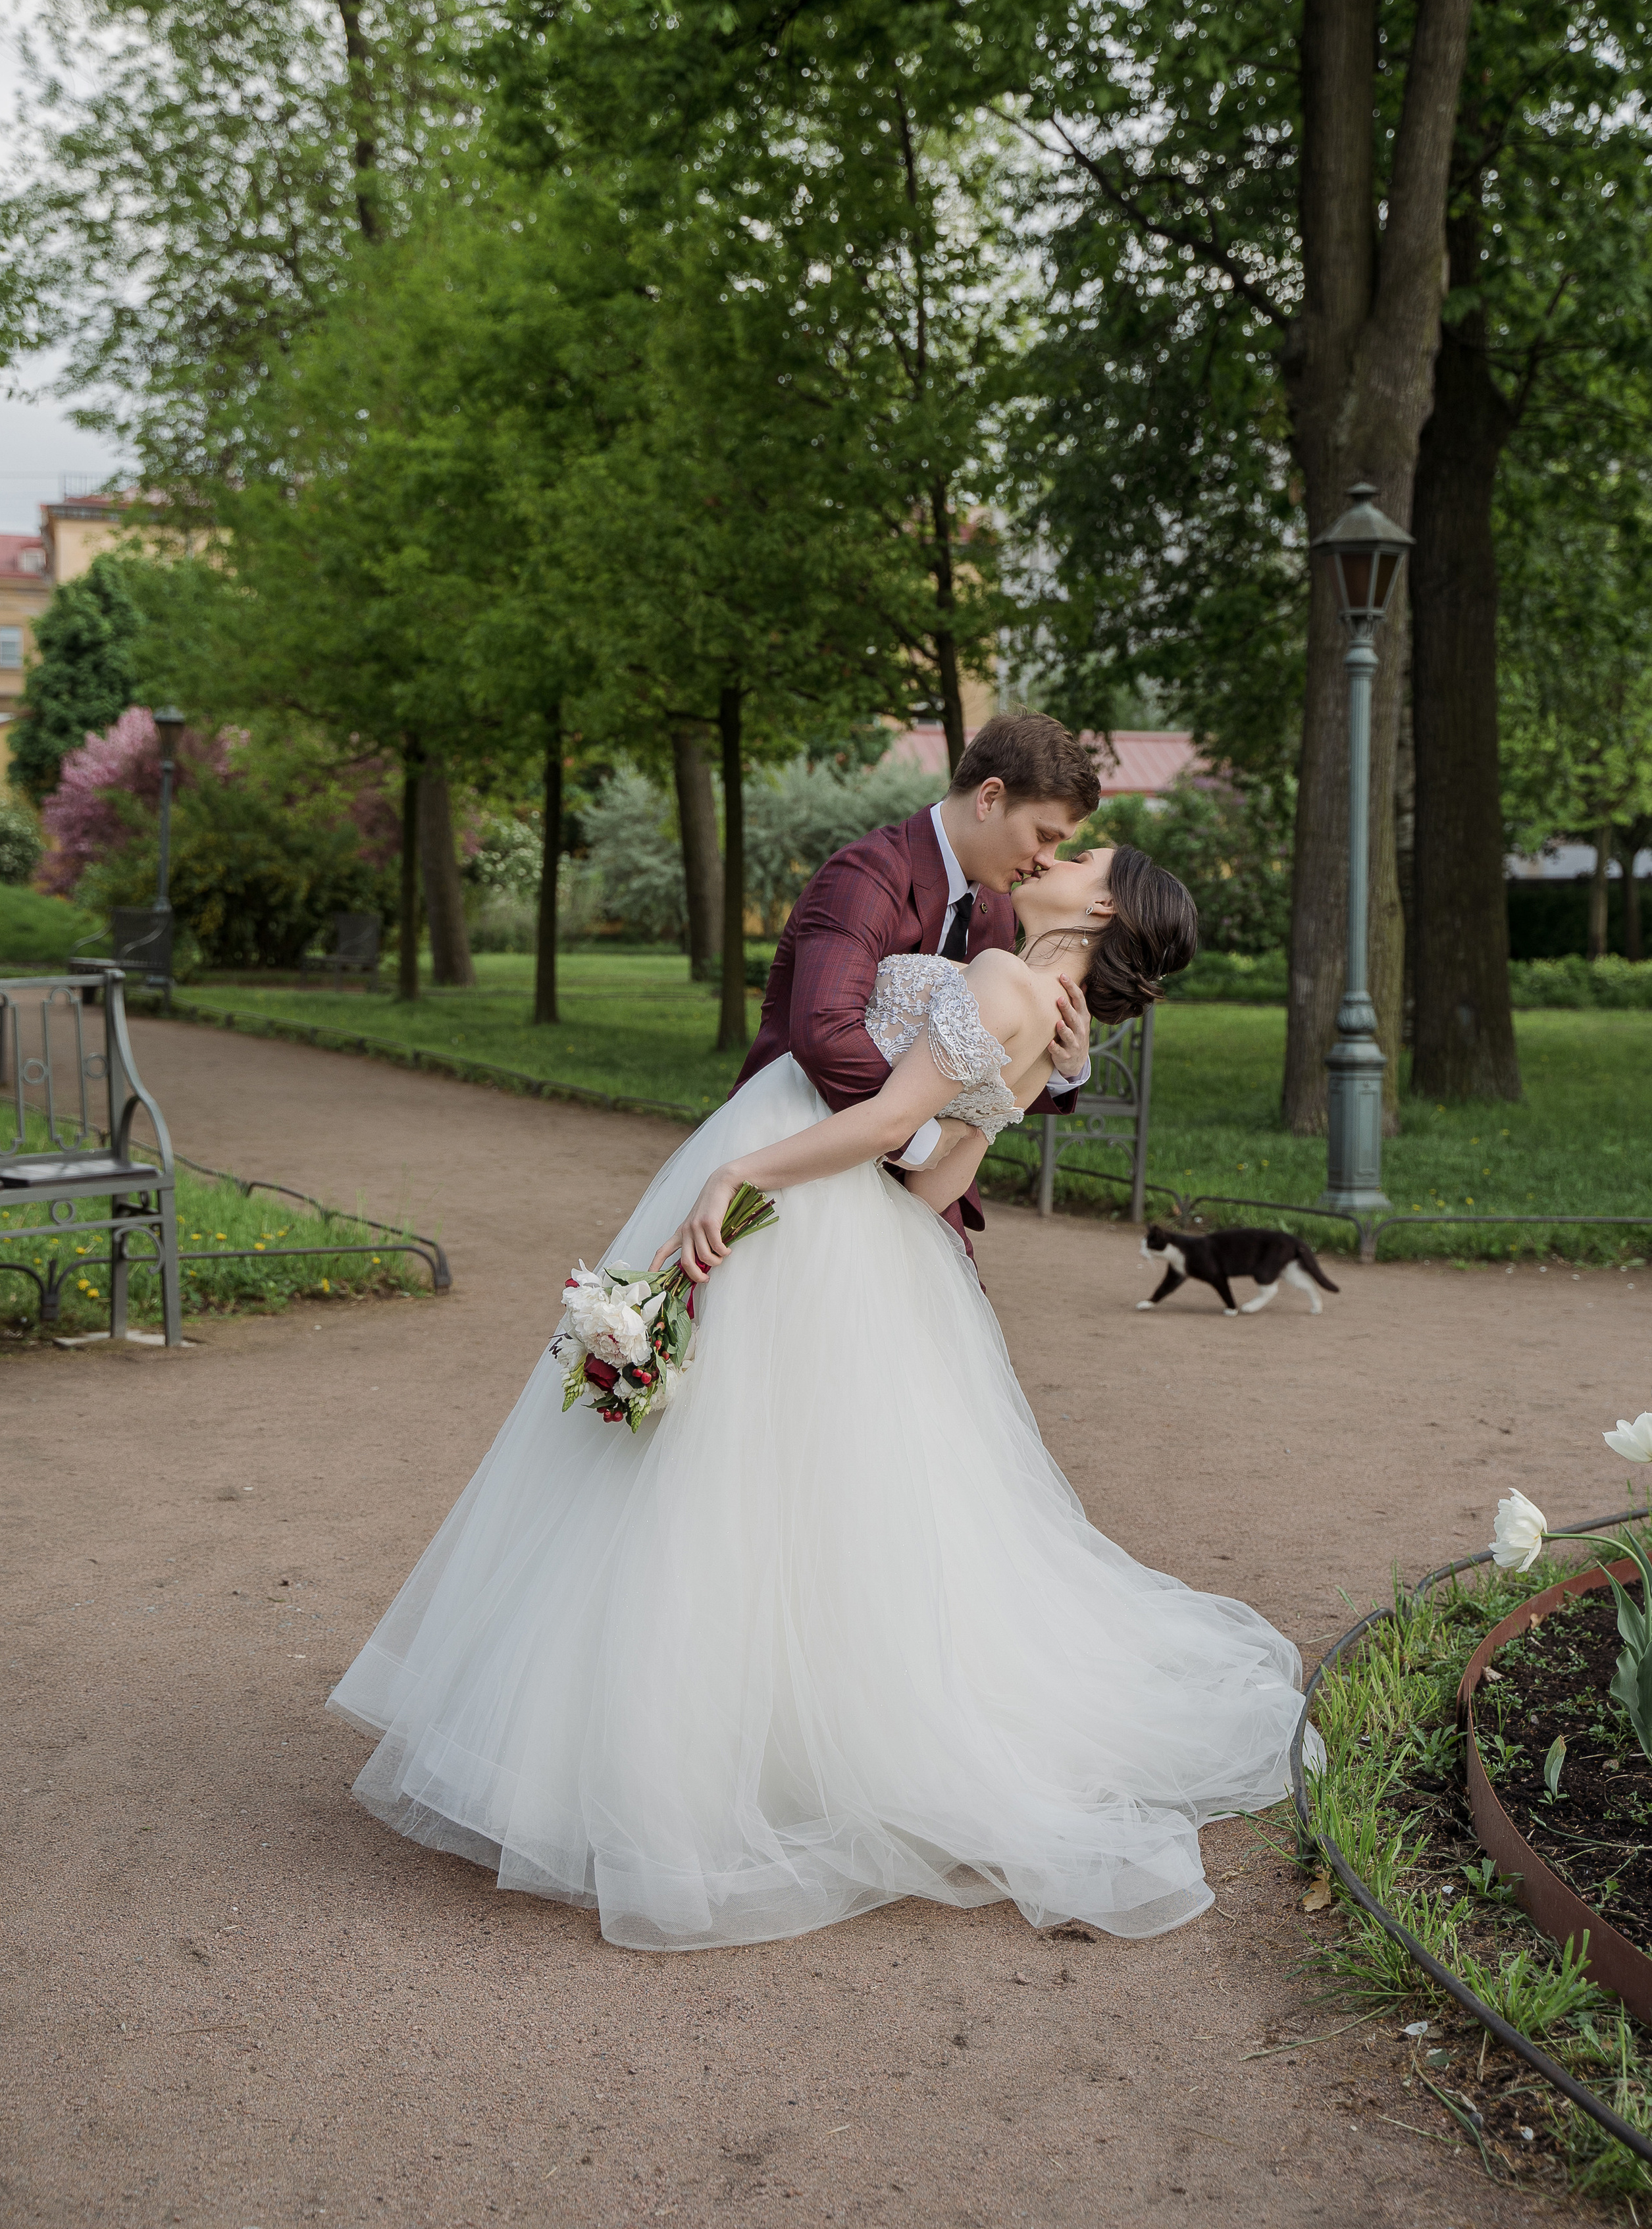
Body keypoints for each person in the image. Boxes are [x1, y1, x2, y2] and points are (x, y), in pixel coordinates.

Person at [329, 749, 1315, 1954]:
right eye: (1060, 834)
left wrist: (756, 1166)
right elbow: (927, 1166)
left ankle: (670, 1755)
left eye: (1086, 853)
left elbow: (897, 1124)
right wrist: (1011, 1086)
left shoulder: (1005, 964)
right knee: (815, 1492)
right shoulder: (1003, 982)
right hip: (872, 1232)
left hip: (803, 1188)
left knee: (717, 1472)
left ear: (1103, 906)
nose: (1059, 855)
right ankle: (788, 1737)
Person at [735, 710, 1105, 1255]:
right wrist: (916, 1136)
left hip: (916, 1197)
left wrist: (1066, 1069)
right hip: (792, 1157)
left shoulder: (1001, 909)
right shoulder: (865, 876)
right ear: (990, 797)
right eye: (1044, 837)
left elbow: (978, 1057)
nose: (1046, 862)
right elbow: (824, 1033)